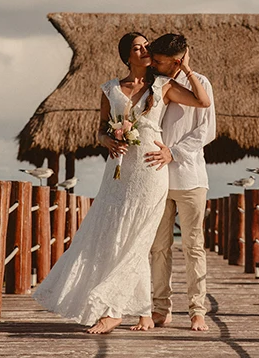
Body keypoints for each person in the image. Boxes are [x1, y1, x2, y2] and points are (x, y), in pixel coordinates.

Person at [32, 32, 211, 335]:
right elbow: (99, 131)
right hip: (119, 171)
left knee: (140, 239)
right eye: (138, 48)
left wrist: (188, 68)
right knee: (112, 235)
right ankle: (136, 310)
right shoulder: (110, 89)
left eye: (146, 47)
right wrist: (109, 140)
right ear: (127, 56)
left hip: (151, 172)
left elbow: (202, 102)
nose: (144, 51)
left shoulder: (163, 86)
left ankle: (120, 311)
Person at [145, 33, 215, 332]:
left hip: (190, 179)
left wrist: (172, 153)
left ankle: (197, 311)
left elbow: (206, 131)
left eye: (160, 61)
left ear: (177, 59)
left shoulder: (201, 83)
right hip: (156, 179)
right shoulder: (155, 84)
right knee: (159, 248)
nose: (155, 65)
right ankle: (161, 309)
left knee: (193, 246)